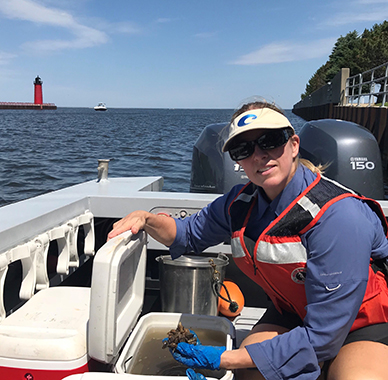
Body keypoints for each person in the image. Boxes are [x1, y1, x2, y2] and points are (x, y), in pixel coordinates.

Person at [108, 100, 388, 380]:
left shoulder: (338, 215)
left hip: (363, 322)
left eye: (270, 140)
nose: (259, 155)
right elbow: (187, 234)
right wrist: (146, 219)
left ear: (293, 144)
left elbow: (324, 336)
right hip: (292, 312)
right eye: (243, 149)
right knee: (250, 375)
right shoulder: (240, 203)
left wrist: (224, 358)